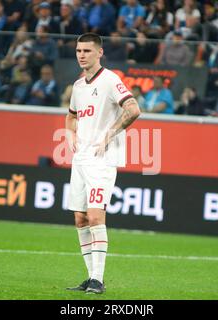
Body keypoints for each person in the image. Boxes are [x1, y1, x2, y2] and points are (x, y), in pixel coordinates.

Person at [65, 33, 141, 294]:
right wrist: (69, 134)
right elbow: (70, 116)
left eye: (87, 50)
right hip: (81, 159)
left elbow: (133, 109)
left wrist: (111, 133)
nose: (81, 55)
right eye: (78, 51)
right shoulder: (78, 86)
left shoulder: (110, 80)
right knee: (80, 218)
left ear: (99, 53)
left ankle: (98, 278)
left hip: (103, 159)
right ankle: (90, 277)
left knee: (96, 215)